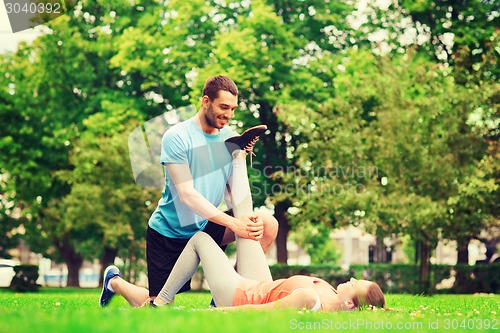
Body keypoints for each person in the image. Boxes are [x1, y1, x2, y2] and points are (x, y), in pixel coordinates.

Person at [100, 151, 385, 311]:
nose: (351, 277)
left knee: (200, 239)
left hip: (241, 295)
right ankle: (237, 155)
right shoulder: (333, 293)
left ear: (349, 304)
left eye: (356, 283)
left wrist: (209, 314)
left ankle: (146, 298)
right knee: (253, 223)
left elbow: (254, 313)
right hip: (260, 285)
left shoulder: (313, 301)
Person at [99, 75, 278, 307]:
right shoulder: (177, 137)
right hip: (170, 233)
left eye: (233, 109)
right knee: (159, 306)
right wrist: (233, 223)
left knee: (266, 223)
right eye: (223, 107)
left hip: (206, 225)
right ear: (206, 101)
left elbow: (231, 193)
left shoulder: (230, 138)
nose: (229, 115)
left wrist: (239, 161)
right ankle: (114, 282)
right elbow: (187, 195)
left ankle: (230, 293)